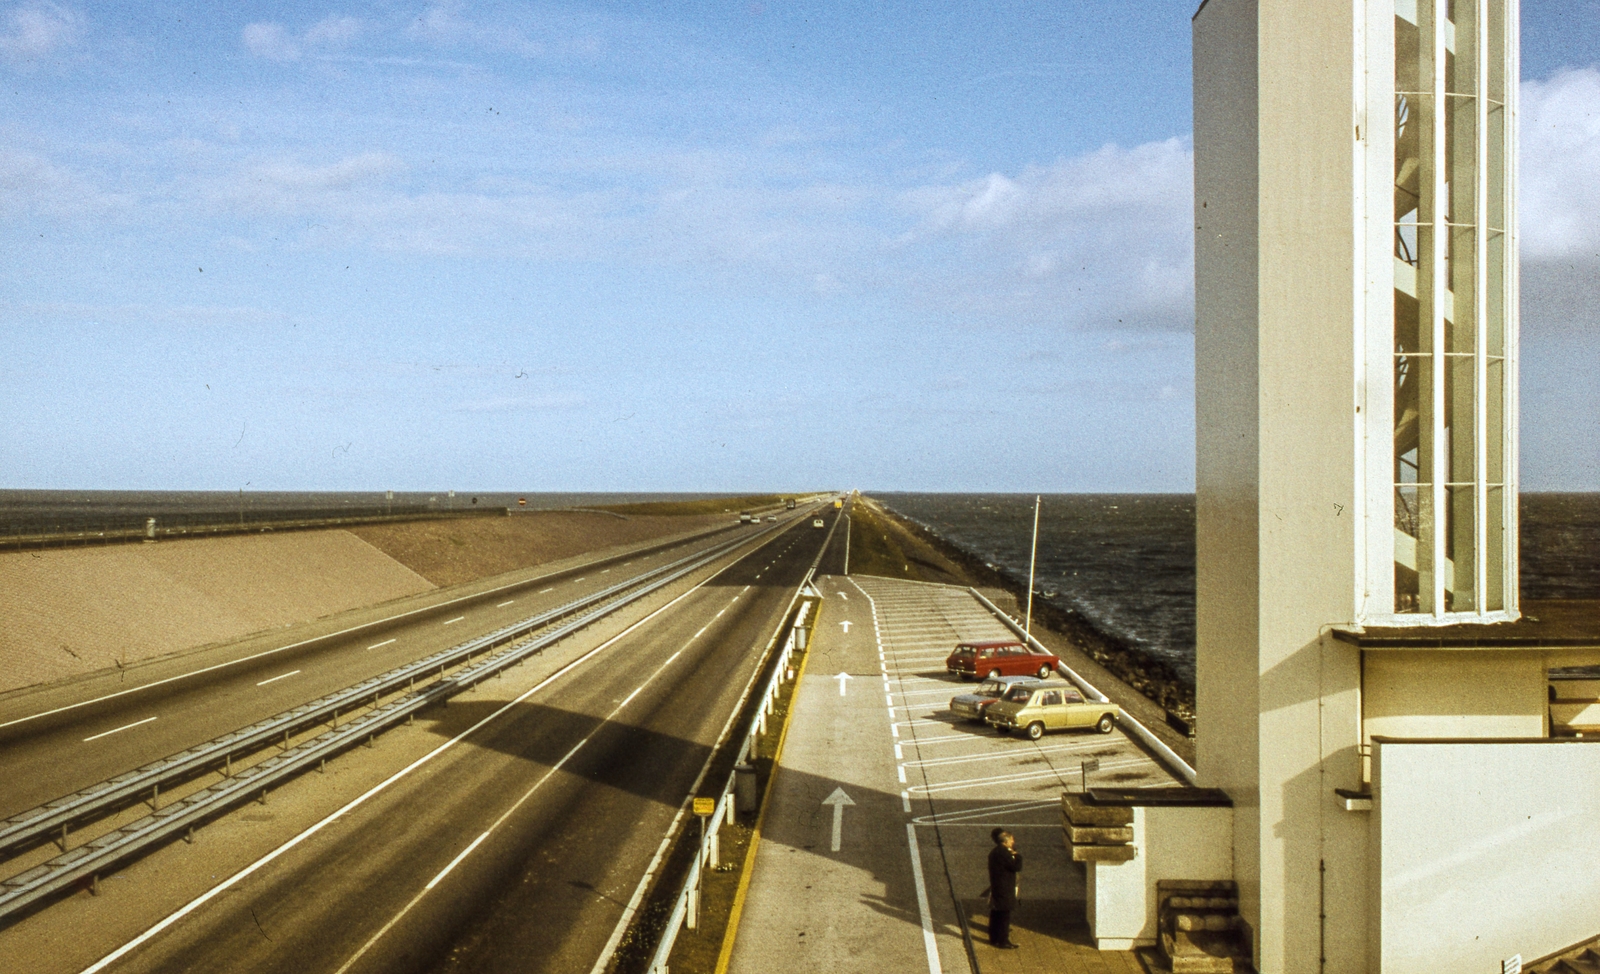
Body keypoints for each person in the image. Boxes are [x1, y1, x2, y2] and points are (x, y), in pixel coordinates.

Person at [987, 827, 1022, 949]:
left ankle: (994, 938)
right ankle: (1003, 940)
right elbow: (1016, 867)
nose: (1013, 842)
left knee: (996, 913)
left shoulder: (995, 852)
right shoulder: (1004, 854)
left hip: (997, 886)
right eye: (1011, 840)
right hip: (1005, 888)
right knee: (1004, 915)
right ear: (1005, 841)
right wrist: (1017, 856)